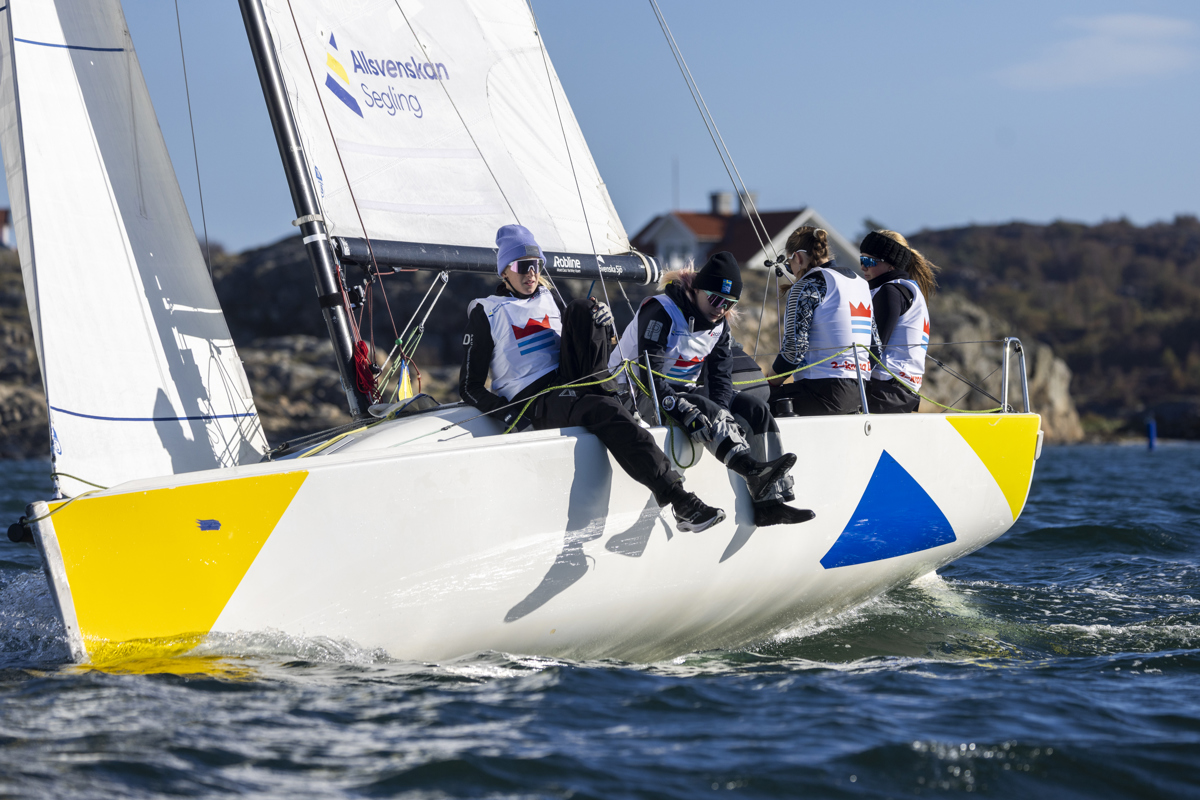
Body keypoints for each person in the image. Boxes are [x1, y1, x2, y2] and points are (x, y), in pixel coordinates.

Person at [459, 224, 725, 532]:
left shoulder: (548, 297)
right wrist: (511, 418)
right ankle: (681, 501)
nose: (531, 274)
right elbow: (469, 386)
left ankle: (612, 398)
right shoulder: (486, 311)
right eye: (522, 266)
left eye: (536, 265)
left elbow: (577, 341)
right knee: (603, 409)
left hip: (569, 382)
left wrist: (605, 326)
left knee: (585, 308)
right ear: (505, 270)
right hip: (534, 399)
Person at [609, 251, 813, 528]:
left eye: (729, 303)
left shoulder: (720, 325)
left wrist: (724, 414)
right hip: (635, 393)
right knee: (704, 406)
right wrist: (685, 408)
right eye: (716, 299)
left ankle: (770, 504)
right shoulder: (661, 311)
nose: (721, 308)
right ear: (697, 290)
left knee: (754, 408)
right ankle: (749, 469)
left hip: (683, 391)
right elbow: (649, 376)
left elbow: (720, 378)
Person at [767, 227, 878, 415]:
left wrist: (768, 382)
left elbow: (794, 351)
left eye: (788, 264)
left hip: (821, 393)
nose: (791, 272)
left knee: (748, 402)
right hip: (860, 395)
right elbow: (876, 349)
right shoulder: (862, 284)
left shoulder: (808, 285)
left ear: (798, 258)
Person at [859, 230, 939, 413]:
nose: (863, 267)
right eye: (861, 260)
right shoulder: (909, 290)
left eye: (869, 261)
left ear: (891, 264)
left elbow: (874, 348)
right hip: (902, 391)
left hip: (884, 391)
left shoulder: (890, 292)